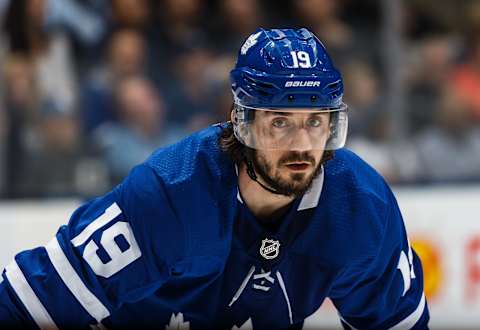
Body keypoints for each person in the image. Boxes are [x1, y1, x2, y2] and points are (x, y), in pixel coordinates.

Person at [0, 28, 429, 329]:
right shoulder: (172, 192)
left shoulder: (361, 206)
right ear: (241, 122)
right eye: (281, 122)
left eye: (316, 121)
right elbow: (27, 302)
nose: (302, 144)